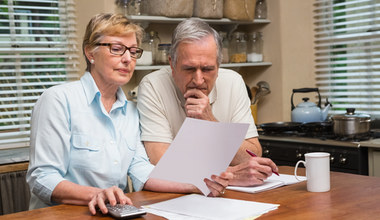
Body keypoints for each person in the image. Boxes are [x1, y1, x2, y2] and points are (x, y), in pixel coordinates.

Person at [26, 13, 232, 215]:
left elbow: (141, 170)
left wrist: (196, 184)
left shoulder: (131, 112)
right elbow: (42, 178)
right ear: (90, 53)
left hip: (115, 213)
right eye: (117, 49)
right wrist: (97, 194)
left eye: (133, 52)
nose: (127, 59)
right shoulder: (58, 100)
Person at [137, 18, 278, 187]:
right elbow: (160, 163)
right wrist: (230, 174)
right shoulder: (152, 85)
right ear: (172, 65)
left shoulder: (233, 82)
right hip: (175, 197)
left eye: (207, 69)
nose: (198, 80)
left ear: (218, 66)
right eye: (189, 69)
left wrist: (209, 121)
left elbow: (252, 155)